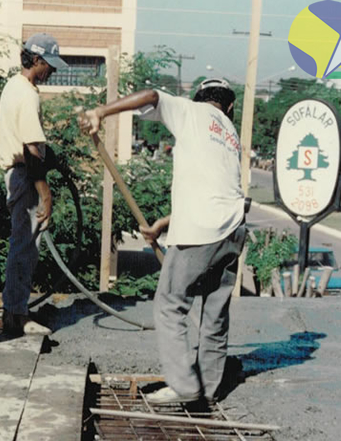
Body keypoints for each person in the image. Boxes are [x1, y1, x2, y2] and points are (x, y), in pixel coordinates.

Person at [78, 78, 246, 406]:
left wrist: (100, 111)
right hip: (233, 230)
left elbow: (153, 95)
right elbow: (216, 190)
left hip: (203, 231)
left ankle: (184, 386)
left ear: (199, 98)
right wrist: (164, 225)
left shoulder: (191, 111)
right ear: (229, 107)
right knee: (214, 312)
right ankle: (206, 391)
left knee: (170, 305)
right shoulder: (229, 132)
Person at [0, 33, 68, 337]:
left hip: (19, 174)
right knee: (25, 247)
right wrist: (46, 194)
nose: (51, 71)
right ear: (36, 60)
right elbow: (31, 150)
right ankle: (16, 316)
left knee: (23, 245)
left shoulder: (14, 86)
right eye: (48, 65)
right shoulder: (27, 94)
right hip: (25, 176)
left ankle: (16, 310)